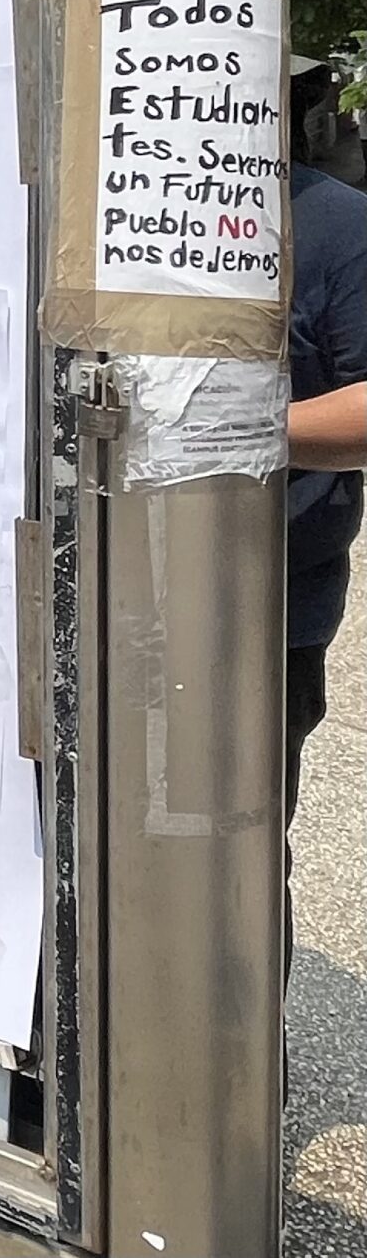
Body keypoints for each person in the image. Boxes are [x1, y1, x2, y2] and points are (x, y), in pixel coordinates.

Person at [285, 58, 366, 839]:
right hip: (100, 585)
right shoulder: (96, 224)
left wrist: (229, 431)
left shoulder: (341, 226)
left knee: (232, 860)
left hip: (271, 605)